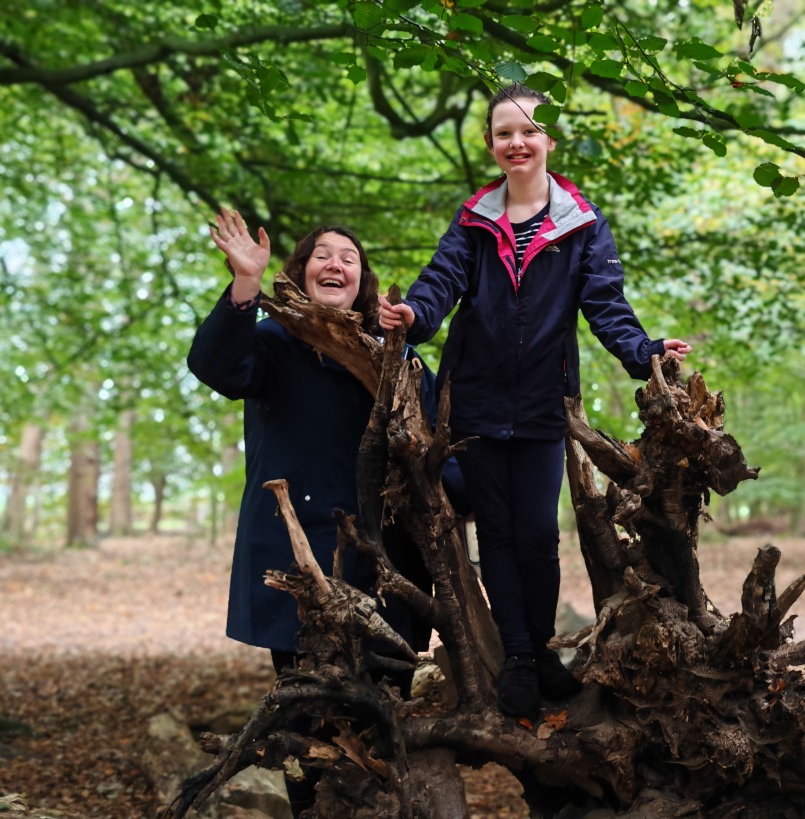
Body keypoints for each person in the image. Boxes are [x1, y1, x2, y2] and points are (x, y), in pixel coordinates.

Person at [378, 83, 692, 720]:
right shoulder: (473, 221)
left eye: (527, 131)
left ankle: (541, 648)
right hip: (476, 403)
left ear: (549, 140)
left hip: (545, 403)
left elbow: (605, 303)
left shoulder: (582, 223)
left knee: (539, 534)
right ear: (492, 145)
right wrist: (414, 314)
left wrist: (645, 352)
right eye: (502, 133)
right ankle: (519, 656)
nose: (515, 142)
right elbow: (441, 280)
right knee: (496, 532)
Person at [188, 208, 438, 816]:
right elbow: (215, 367)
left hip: (386, 564)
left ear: (363, 281)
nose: (337, 263)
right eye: (324, 254)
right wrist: (245, 282)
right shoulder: (274, 342)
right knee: (306, 723)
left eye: (349, 258)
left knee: (383, 715)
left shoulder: (396, 357)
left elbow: (434, 448)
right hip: (298, 562)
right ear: (301, 272)